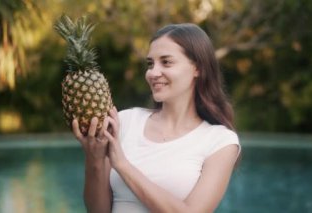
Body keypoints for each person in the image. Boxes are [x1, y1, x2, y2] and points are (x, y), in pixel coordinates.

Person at [72, 23, 241, 213]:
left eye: (166, 62)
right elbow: (97, 211)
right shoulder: (125, 121)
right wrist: (93, 160)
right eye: (150, 64)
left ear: (197, 68)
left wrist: (122, 165)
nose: (153, 73)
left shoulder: (220, 141)